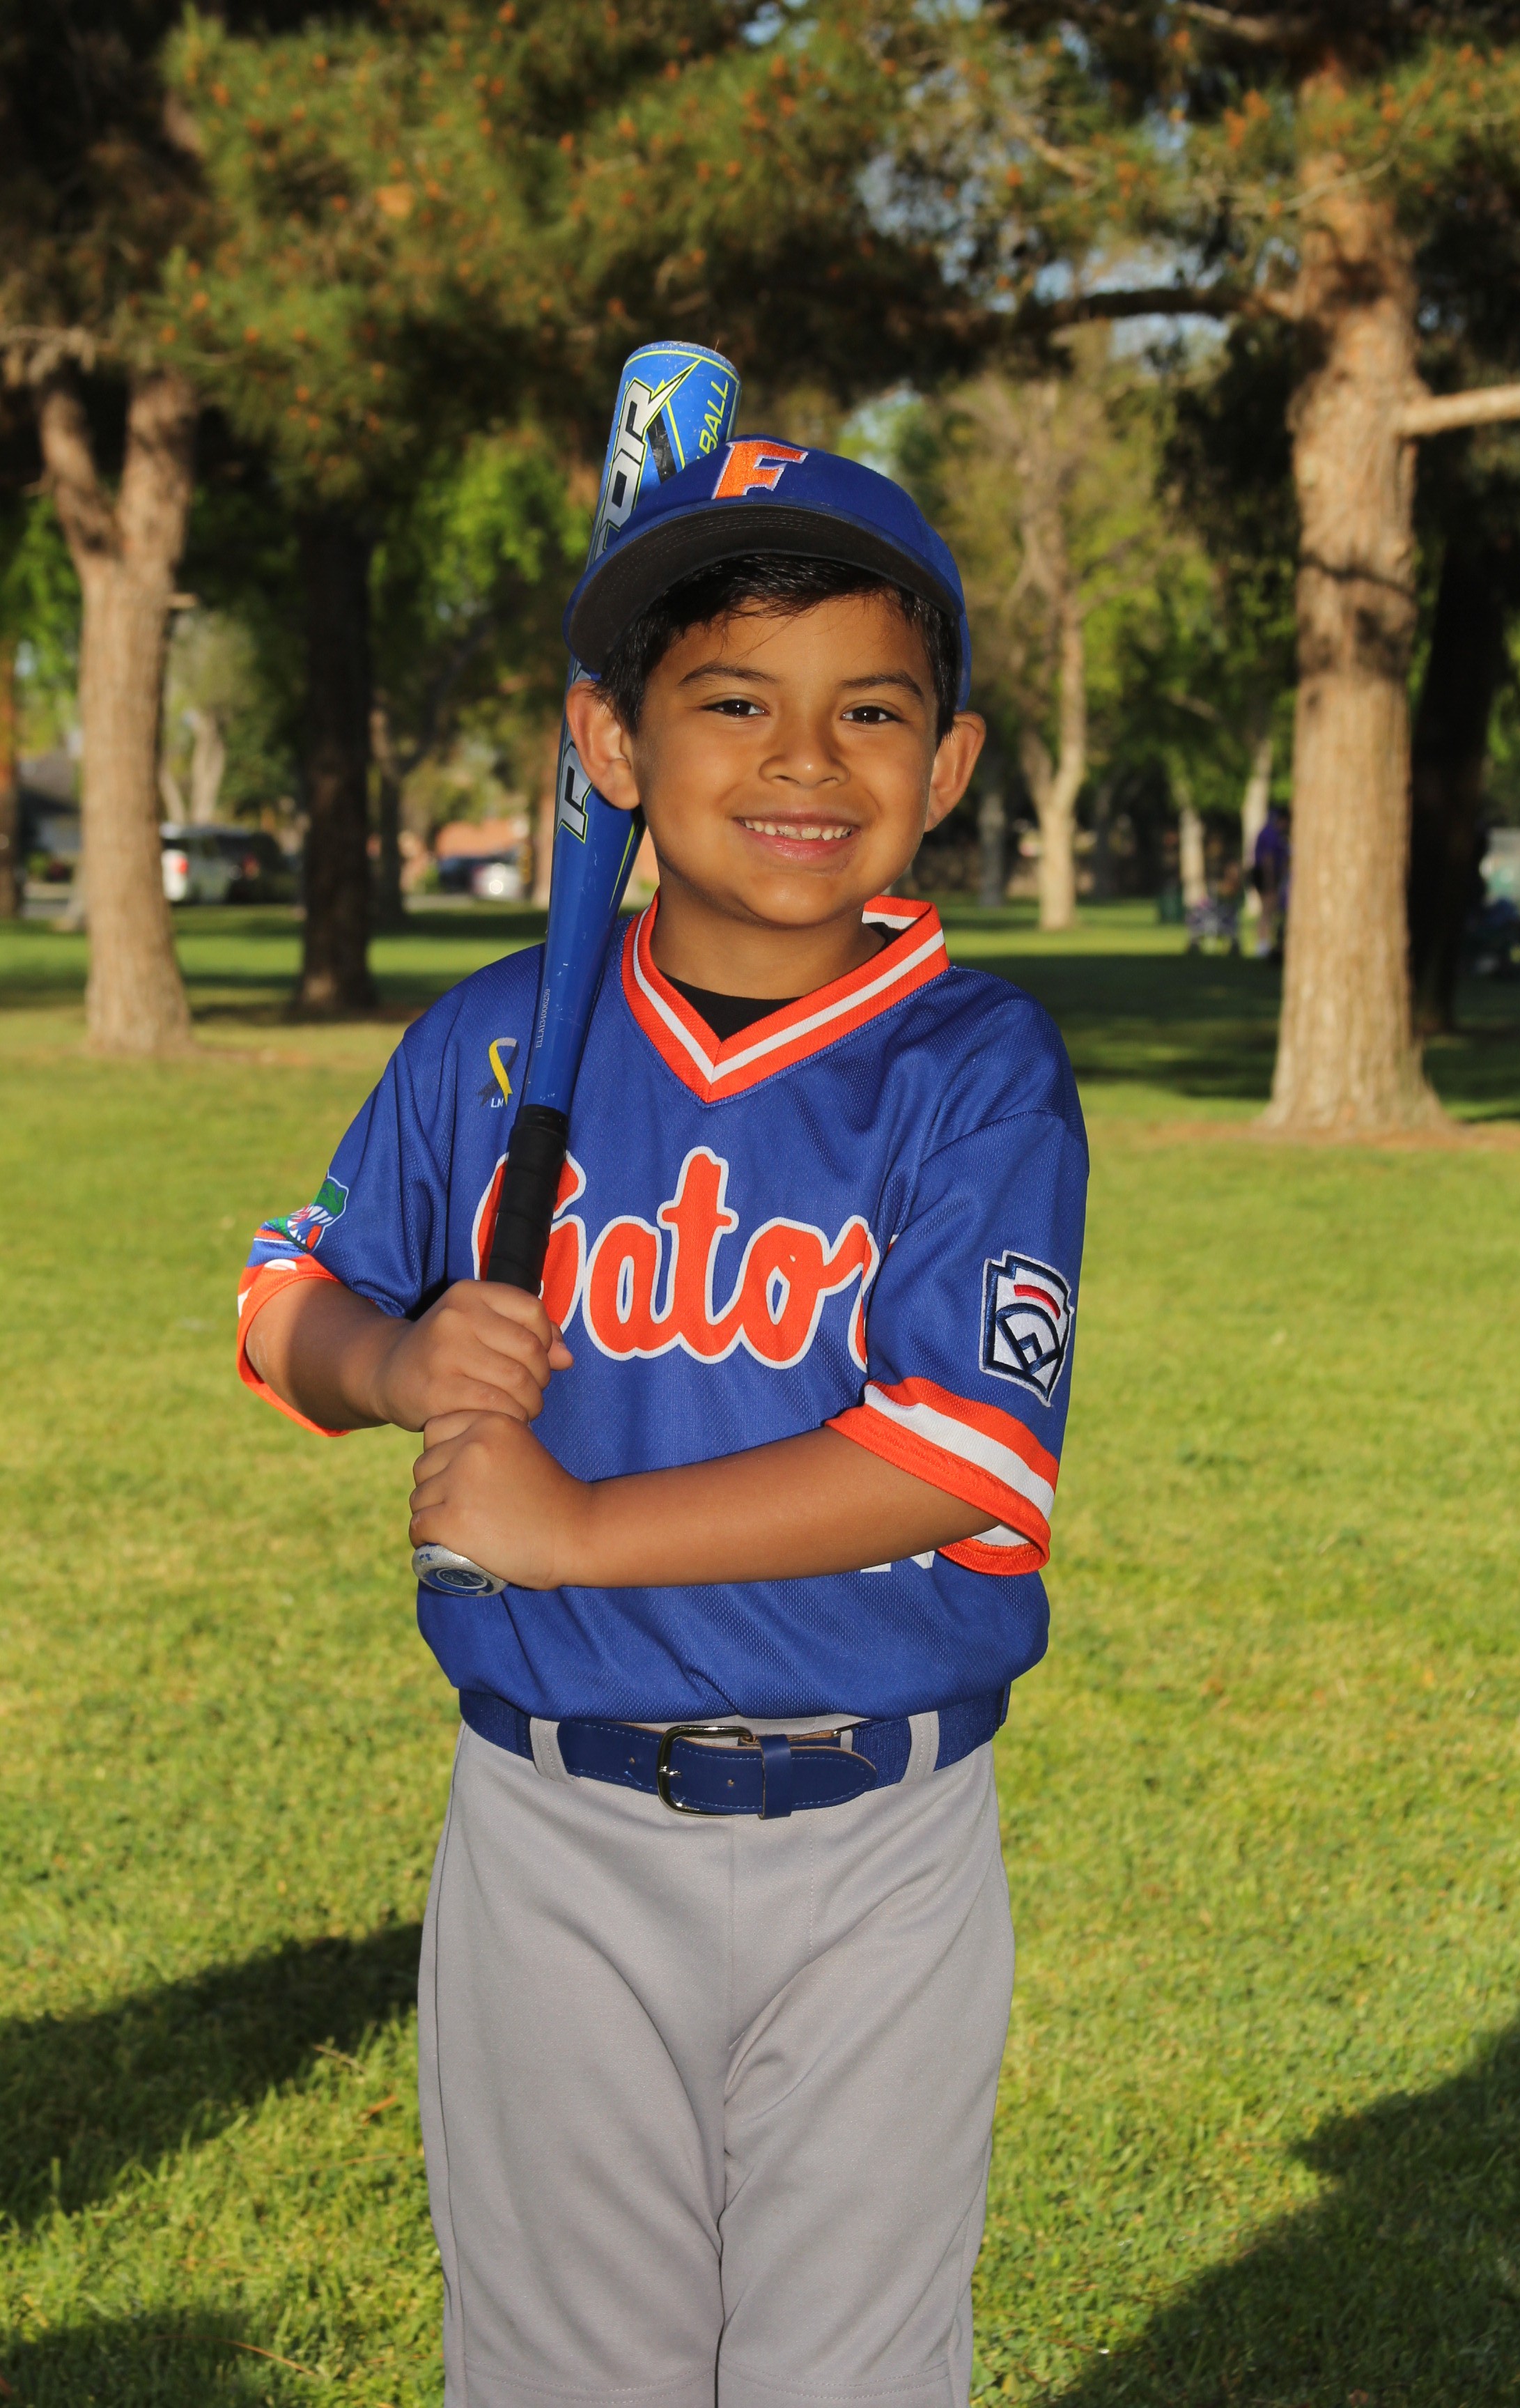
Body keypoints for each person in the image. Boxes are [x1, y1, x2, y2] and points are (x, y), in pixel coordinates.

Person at [236, 442, 1089, 2408]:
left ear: (948, 766)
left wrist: (577, 1532)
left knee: (848, 2374)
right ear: (609, 745)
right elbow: (285, 1298)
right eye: (732, 700)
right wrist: (397, 1367)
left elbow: (961, 1455)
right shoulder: (495, 1043)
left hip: (882, 1830)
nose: (805, 760)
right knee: (564, 2371)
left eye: (869, 711)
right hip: (552, 1816)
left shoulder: (975, 1065)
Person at [1252, 799, 1290, 959]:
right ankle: (1263, 945)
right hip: (1266, 874)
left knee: (1268, 911)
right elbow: (1268, 859)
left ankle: (1265, 943)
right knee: (1267, 910)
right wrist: (1270, 881)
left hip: (1266, 874)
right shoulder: (1271, 834)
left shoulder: (1271, 832)